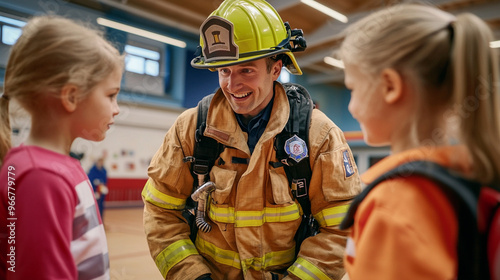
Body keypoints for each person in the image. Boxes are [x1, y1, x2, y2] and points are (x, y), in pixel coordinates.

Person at [142, 0, 361, 279]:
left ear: (275, 68)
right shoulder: (190, 128)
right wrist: (193, 276)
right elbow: (161, 212)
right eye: (224, 71)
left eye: (246, 70)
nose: (233, 86)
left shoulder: (319, 137)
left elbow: (342, 229)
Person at [338, 3, 500, 280]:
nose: (351, 107)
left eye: (352, 88)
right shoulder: (470, 171)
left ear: (390, 86)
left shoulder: (395, 203)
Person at [0, 15, 124, 279]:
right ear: (71, 96)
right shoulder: (42, 177)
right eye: (111, 95)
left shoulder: (56, 167)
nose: (117, 109)